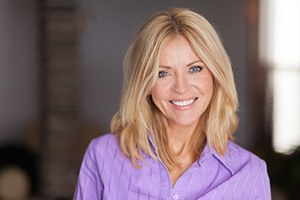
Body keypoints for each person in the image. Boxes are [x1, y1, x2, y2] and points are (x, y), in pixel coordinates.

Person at [73, 7, 271, 200]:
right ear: (144, 83)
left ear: (216, 74)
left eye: (195, 69)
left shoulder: (250, 174)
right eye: (163, 73)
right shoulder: (102, 156)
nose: (181, 87)